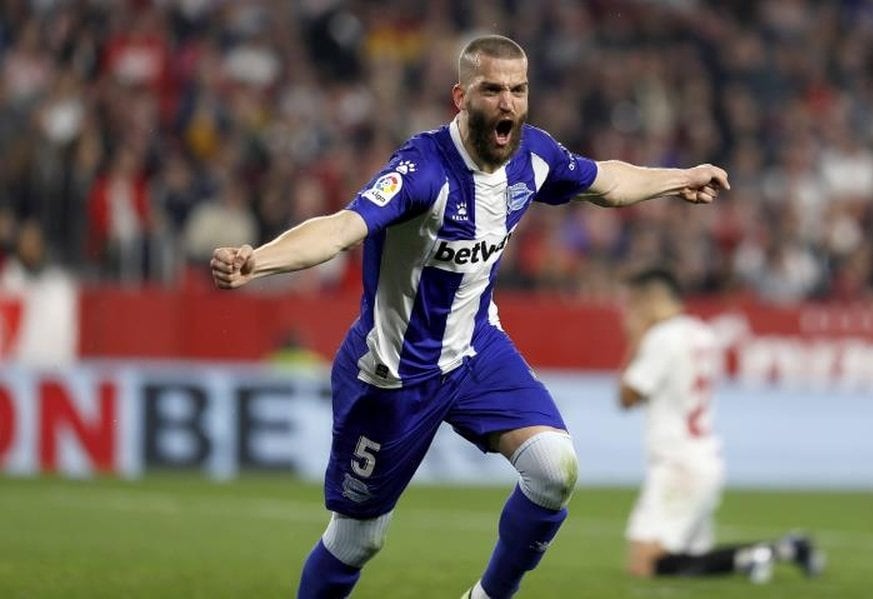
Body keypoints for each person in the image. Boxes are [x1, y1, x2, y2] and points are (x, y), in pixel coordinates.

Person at [211, 35, 730, 599]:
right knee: (358, 539)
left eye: (518, 90)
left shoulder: (534, 154)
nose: (508, 102)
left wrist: (679, 178)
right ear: (461, 96)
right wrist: (257, 262)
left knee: (555, 469)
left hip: (476, 351)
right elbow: (340, 229)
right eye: (492, 90)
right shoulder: (420, 169)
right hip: (393, 375)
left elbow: (606, 181)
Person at [617, 267, 824, 584]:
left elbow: (628, 396)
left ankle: (757, 557)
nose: (629, 311)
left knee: (646, 563)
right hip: (704, 456)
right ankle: (784, 550)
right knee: (690, 559)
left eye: (634, 303)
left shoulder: (662, 338)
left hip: (677, 464)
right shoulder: (702, 333)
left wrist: (635, 339)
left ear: (653, 300)